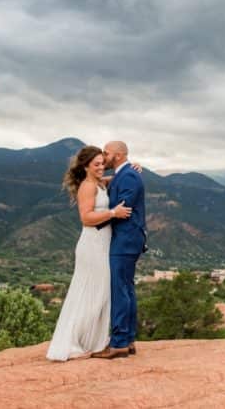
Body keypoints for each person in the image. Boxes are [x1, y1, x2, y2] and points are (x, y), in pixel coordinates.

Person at [45, 145, 132, 361]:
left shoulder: (100, 183)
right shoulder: (87, 187)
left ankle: (90, 341)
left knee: (100, 293)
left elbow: (118, 178)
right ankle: (73, 344)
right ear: (86, 167)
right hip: (92, 244)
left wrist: (131, 167)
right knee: (89, 293)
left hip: (103, 243)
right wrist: (113, 212)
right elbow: (86, 218)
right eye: (97, 164)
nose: (102, 167)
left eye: (103, 163)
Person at [91, 140, 148, 359]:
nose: (103, 156)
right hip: (126, 239)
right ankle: (128, 339)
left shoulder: (130, 176)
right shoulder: (123, 175)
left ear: (117, 155)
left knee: (120, 290)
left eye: (106, 153)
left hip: (126, 239)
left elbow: (121, 208)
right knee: (126, 288)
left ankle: (120, 342)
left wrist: (96, 219)